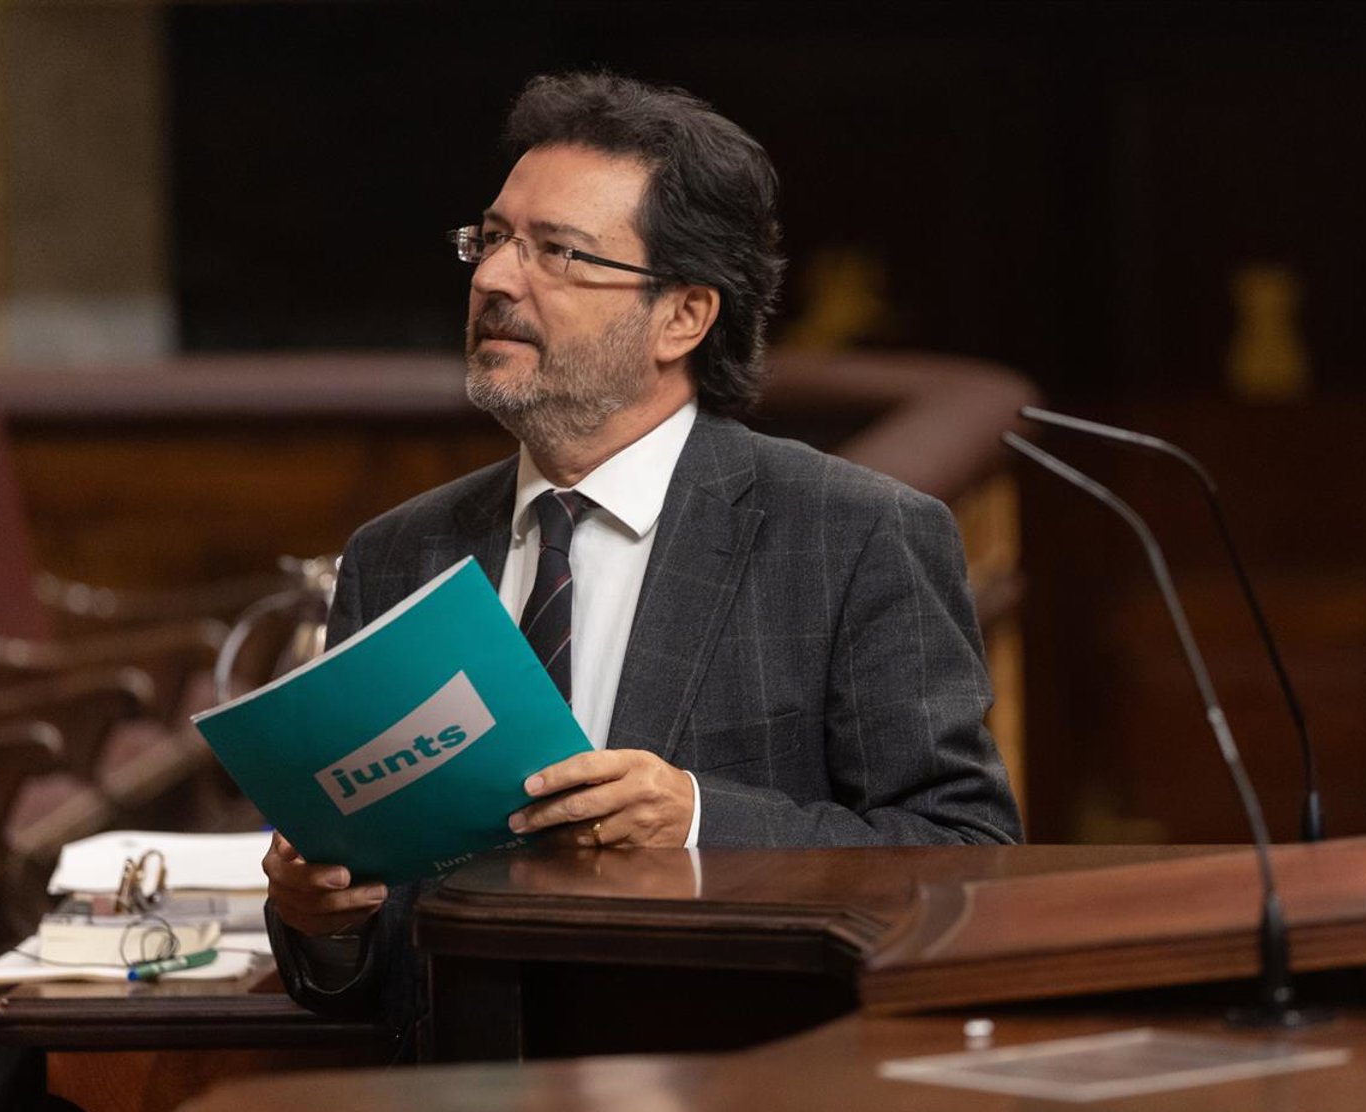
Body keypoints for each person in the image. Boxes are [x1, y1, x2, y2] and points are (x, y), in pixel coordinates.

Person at [265, 72, 1021, 1036]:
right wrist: (322, 921)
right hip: (457, 1103)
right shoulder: (398, 554)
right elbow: (357, 964)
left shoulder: (853, 536)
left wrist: (700, 822)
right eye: (491, 239)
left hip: (730, 1093)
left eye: (557, 252)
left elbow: (964, 853)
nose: (494, 279)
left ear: (683, 317)